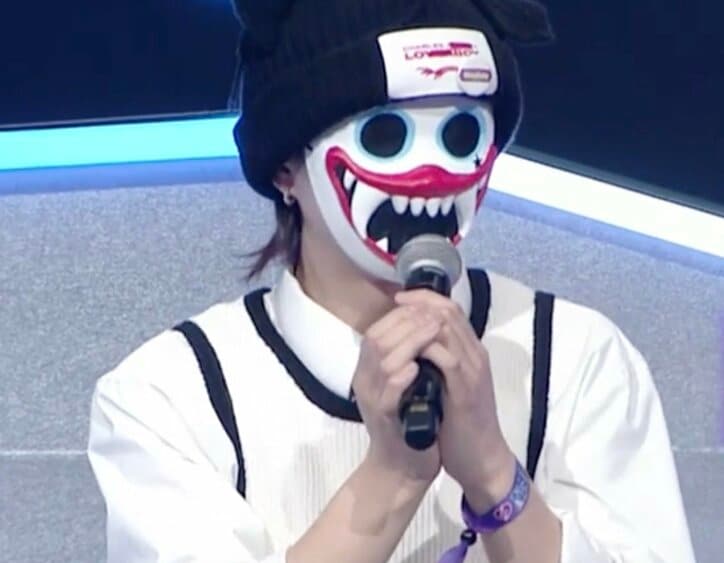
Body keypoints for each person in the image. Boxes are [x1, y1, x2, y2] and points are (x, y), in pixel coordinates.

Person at [87, 1, 696, 562]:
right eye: (384, 136)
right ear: (285, 167)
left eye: (460, 135)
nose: (431, 170)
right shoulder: (174, 393)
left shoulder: (575, 357)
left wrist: (493, 470)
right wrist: (393, 476)